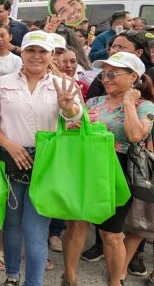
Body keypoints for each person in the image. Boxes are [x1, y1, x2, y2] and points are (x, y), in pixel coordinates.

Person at [0, 31, 82, 286]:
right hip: (10, 160)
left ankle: (34, 283)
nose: (36, 56)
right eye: (31, 50)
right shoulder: (3, 83)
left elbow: (77, 122)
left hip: (46, 165)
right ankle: (13, 276)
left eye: (43, 51)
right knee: (12, 224)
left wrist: (68, 106)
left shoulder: (65, 85)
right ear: (22, 52)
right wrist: (9, 144)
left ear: (51, 56)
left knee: (35, 229)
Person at [61, 52, 154, 286]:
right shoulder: (93, 102)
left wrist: (128, 103)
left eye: (113, 74)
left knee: (111, 234)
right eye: (104, 74)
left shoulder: (145, 107)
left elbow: (134, 135)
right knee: (76, 225)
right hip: (87, 167)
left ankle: (115, 282)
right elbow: (76, 131)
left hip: (118, 172)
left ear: (133, 76)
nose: (106, 79)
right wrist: (74, 127)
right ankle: (69, 277)